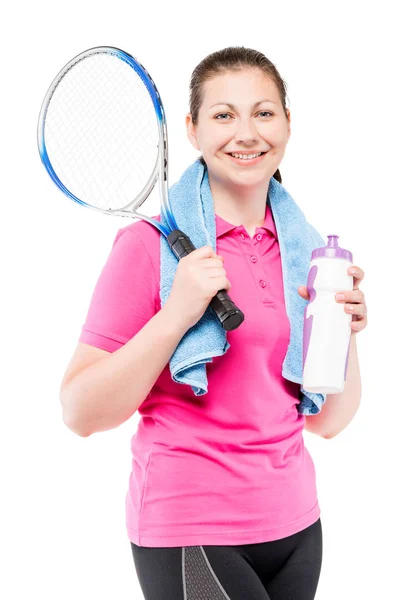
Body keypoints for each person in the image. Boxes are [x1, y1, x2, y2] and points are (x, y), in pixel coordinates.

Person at [60, 47, 325, 599]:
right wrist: (178, 313)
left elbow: (330, 421)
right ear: (192, 129)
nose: (246, 133)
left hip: (297, 526)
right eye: (223, 115)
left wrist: (343, 336)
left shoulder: (309, 252)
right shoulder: (146, 249)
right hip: (191, 527)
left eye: (264, 112)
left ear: (288, 123)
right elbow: (80, 411)